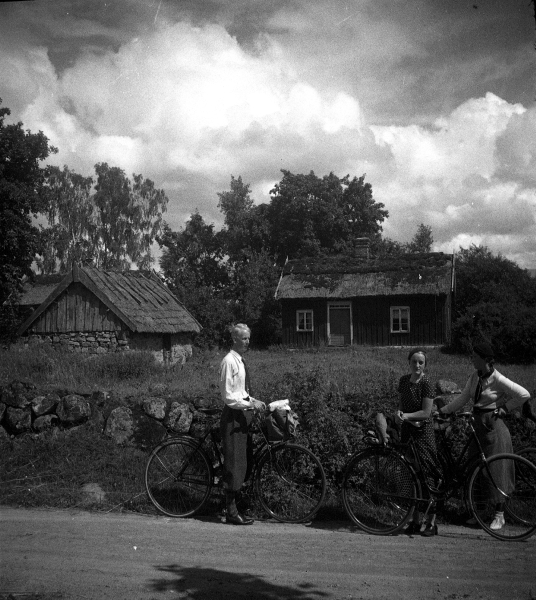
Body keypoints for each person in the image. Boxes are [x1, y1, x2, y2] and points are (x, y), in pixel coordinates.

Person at [437, 340, 530, 530]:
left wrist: (505, 408)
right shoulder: (475, 376)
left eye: (475, 357)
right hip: (478, 426)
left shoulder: (498, 379)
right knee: (476, 468)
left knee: (496, 469)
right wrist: (444, 411)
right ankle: (479, 512)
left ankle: (499, 515)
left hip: (493, 428)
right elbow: (464, 398)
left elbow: (524, 394)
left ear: (485, 359)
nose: (472, 359)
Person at [219, 323, 265, 525]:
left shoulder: (240, 361)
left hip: (241, 415)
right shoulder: (229, 362)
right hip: (232, 415)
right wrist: (249, 404)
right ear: (235, 339)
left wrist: (253, 401)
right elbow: (229, 397)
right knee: (233, 463)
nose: (247, 342)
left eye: (248, 338)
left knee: (242, 461)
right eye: (244, 338)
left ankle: (235, 505)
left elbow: (241, 393)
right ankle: (231, 512)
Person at [395, 348, 441, 537]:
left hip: (423, 433)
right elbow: (401, 404)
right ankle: (414, 520)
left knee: (428, 474)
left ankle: (431, 522)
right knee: (410, 474)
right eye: (414, 361)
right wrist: (399, 414)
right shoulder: (404, 381)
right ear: (409, 362)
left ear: (425, 365)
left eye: (421, 362)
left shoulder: (426, 383)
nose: (417, 365)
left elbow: (426, 412)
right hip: (407, 432)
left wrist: (405, 416)